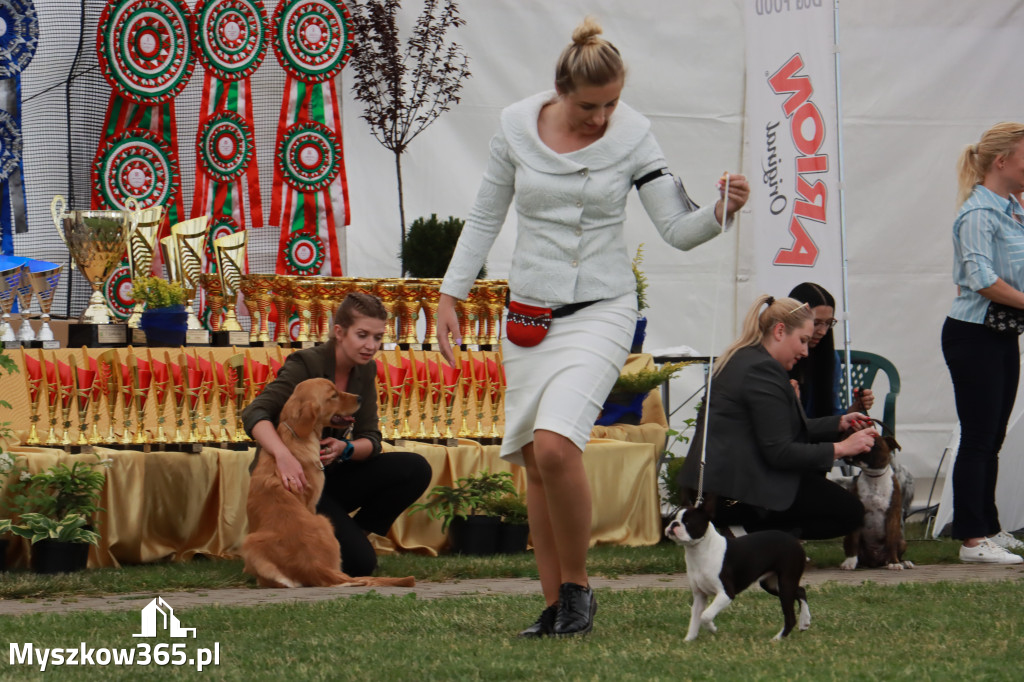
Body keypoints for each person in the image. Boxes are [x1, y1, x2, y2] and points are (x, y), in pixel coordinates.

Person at [435, 17, 749, 638]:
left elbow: (677, 229)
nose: (601, 118)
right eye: (589, 105)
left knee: (556, 445)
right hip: (528, 316)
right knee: (533, 458)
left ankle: (578, 591)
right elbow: (483, 217)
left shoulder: (634, 136)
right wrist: (451, 292)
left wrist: (720, 210)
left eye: (611, 104)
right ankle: (554, 606)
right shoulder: (514, 127)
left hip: (603, 310)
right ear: (560, 90)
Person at [241, 292, 433, 576]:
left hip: (333, 474)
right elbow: (254, 414)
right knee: (361, 566)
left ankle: (351, 536)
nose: (371, 346)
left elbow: (372, 438)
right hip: (296, 481)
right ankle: (337, 542)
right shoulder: (305, 364)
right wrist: (283, 457)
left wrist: (346, 449)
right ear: (339, 332)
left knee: (415, 468)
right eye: (362, 335)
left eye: (377, 338)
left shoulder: (366, 370)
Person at [678, 295, 874, 540]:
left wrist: (839, 422)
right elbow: (780, 452)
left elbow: (778, 430)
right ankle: (751, 535)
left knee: (834, 503)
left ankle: (754, 536)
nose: (805, 351)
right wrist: (842, 448)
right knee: (850, 513)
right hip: (731, 498)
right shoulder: (762, 370)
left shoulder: (745, 358)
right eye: (802, 340)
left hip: (718, 490)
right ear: (780, 331)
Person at [942, 122, 1024, 565]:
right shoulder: (977, 214)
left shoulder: (1011, 210)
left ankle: (987, 526)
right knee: (977, 435)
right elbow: (982, 280)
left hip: (1001, 333)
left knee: (991, 436)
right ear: (1002, 161)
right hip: (974, 335)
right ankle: (971, 538)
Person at [787, 282, 874, 419]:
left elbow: (829, 414)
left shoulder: (829, 358)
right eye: (816, 323)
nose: (823, 331)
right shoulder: (776, 357)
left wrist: (855, 409)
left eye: (828, 323)